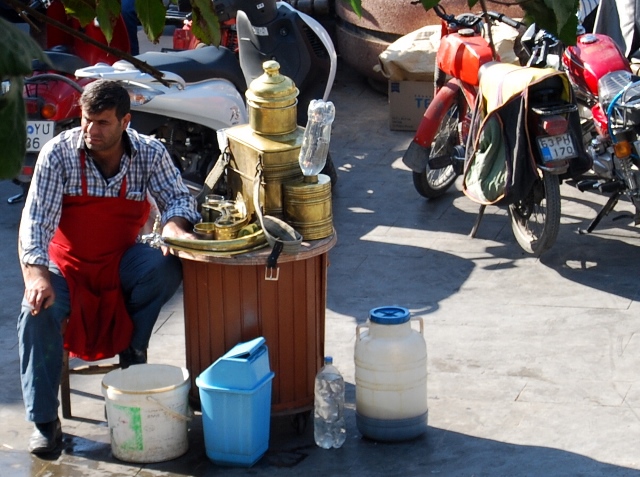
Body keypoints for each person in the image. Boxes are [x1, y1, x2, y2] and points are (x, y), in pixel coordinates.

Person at [17, 79, 200, 455]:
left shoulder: (150, 153)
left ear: (125, 122)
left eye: (102, 122)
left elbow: (179, 198)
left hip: (121, 260)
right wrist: (36, 276)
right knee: (35, 311)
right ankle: (45, 422)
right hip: (67, 267)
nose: (91, 130)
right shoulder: (58, 154)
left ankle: (134, 352)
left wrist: (174, 226)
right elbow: (35, 221)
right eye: (87, 120)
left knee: (164, 268)